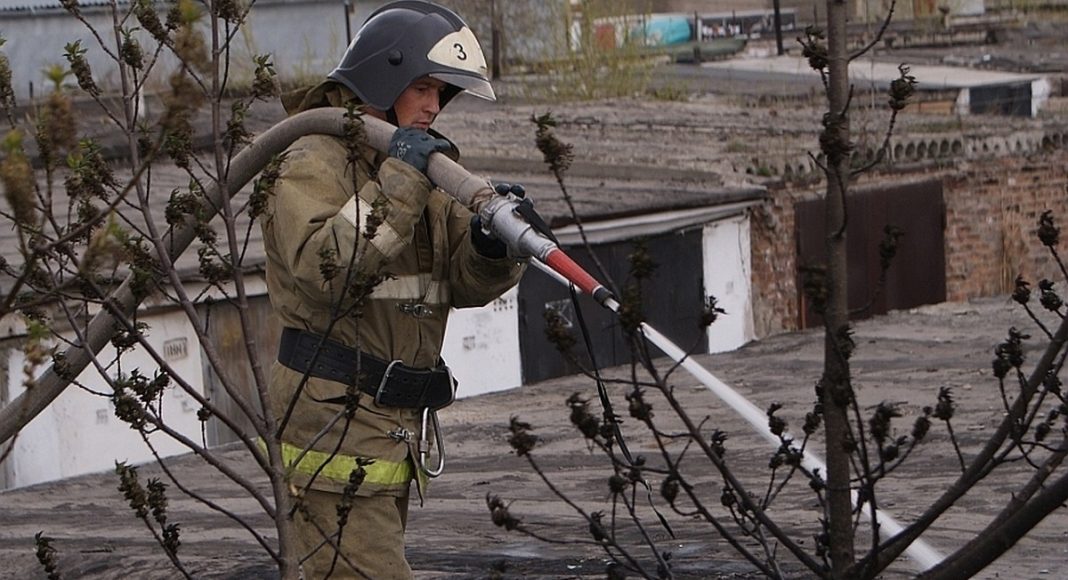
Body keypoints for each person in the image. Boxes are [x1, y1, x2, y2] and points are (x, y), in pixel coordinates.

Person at [260, 2, 525, 577]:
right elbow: (322, 270)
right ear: (383, 77)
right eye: (423, 88)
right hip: (334, 428)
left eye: (440, 93)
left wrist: (492, 246)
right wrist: (402, 178)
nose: (433, 106)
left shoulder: (410, 165)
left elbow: (460, 279)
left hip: (389, 431)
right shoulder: (311, 160)